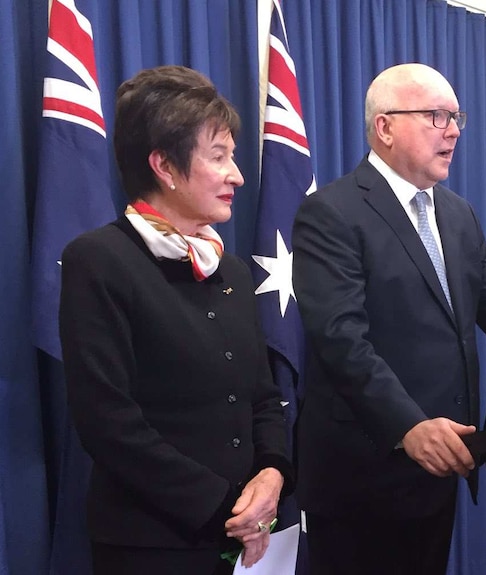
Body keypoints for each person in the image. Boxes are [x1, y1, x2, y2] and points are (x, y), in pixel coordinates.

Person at [291, 63, 486, 574]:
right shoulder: (332, 212)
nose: (453, 130)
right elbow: (341, 339)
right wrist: (408, 425)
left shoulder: (457, 214)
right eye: (436, 116)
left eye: (456, 117)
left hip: (443, 462)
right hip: (363, 472)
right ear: (384, 127)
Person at [59, 65, 293, 574]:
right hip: (151, 544)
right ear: (164, 165)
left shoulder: (228, 268)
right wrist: (226, 509)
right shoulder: (98, 260)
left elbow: (261, 394)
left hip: (250, 535)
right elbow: (107, 422)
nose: (237, 175)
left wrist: (271, 475)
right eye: (219, 157)